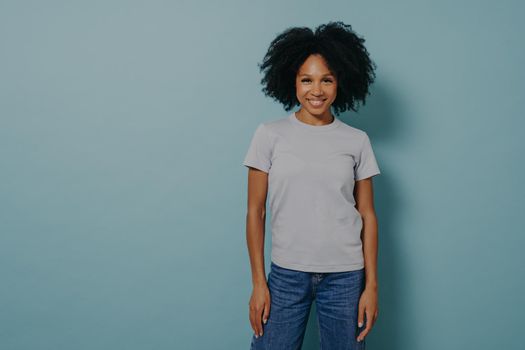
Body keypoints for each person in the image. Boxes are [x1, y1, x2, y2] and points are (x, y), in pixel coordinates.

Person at [243, 21, 381, 350]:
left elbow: (368, 215)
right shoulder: (269, 134)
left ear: (340, 82)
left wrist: (371, 286)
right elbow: (255, 210)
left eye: (326, 80)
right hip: (288, 274)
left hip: (346, 276)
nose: (316, 90)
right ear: (291, 79)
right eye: (307, 79)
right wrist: (259, 283)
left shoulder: (356, 140)